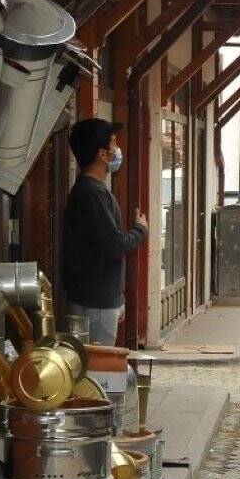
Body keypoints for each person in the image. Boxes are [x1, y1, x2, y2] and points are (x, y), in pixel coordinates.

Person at [63, 118, 148, 345]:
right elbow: (114, 244)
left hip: (97, 299)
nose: (117, 149)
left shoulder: (92, 190)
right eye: (113, 143)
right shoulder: (92, 193)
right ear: (102, 154)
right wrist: (140, 230)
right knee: (97, 364)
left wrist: (117, 300)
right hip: (95, 303)